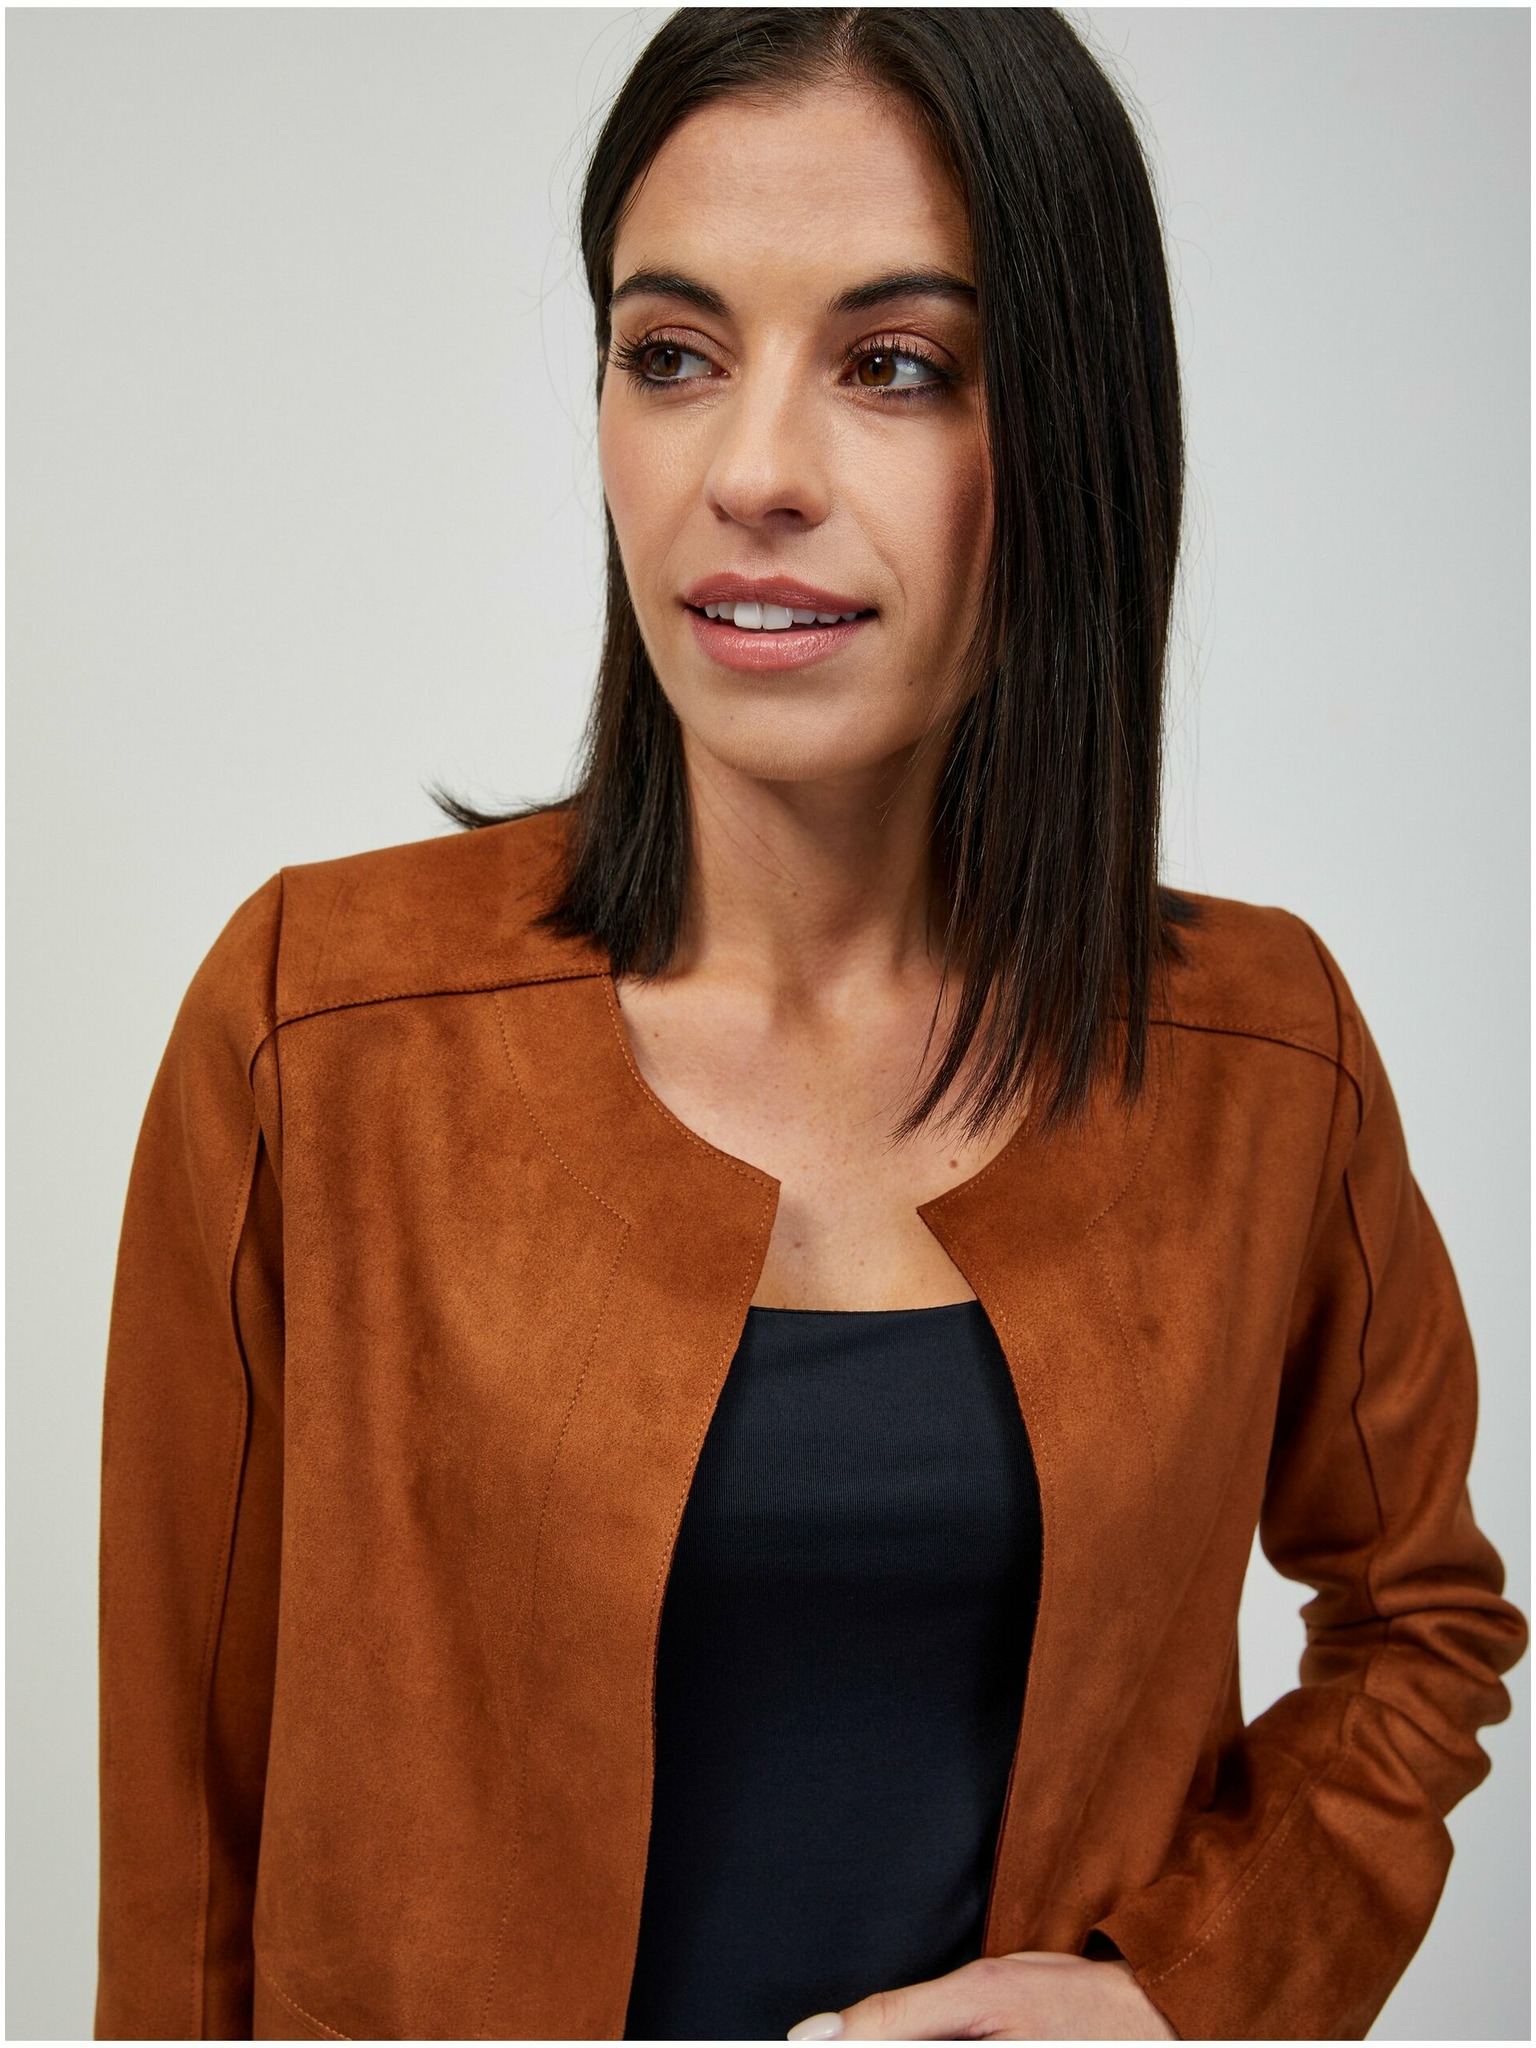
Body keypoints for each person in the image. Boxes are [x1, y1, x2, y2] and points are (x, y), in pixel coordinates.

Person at [94, 9, 1526, 2042]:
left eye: (897, 366)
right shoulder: (317, 1025)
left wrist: (1176, 1995)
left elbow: (1419, 1624)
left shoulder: (1260, 1056)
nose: (751, 473)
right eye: (672, 353)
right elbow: (184, 1845)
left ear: (1073, 430)